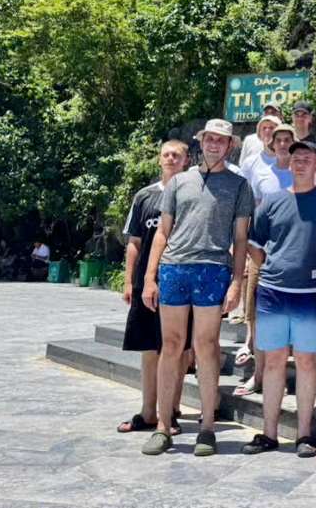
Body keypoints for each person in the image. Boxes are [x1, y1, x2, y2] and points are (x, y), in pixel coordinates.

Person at [140, 118, 254, 457]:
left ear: (230, 145)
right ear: (200, 143)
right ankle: (163, 426)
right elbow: (162, 232)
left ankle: (207, 427)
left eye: (222, 140)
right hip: (174, 268)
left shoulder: (239, 186)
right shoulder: (179, 182)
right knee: (170, 345)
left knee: (205, 346)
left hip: (212, 269)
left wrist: (236, 283)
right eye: (209, 139)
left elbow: (241, 238)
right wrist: (150, 276)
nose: (215, 145)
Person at [242, 139, 316, 456]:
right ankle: (268, 434)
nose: (300, 163)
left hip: (310, 295)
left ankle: (304, 435)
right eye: (295, 157)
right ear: (289, 163)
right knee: (272, 362)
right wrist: (267, 266)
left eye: (307, 158)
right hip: (272, 293)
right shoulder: (271, 202)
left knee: (307, 363)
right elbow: (253, 243)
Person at [117, 140, 192, 436]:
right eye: (166, 155)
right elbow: (134, 243)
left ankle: (170, 410)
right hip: (147, 284)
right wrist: (129, 281)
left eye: (177, 155)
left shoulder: (193, 193)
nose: (171, 159)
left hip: (180, 281)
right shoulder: (144, 196)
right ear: (159, 159)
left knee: (178, 349)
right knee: (149, 349)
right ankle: (148, 411)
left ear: (187, 160)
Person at [237, 123, 297, 397]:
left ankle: (279, 377)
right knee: (259, 318)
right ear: (271, 144)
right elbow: (251, 211)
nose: (283, 144)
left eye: (288, 139)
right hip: (262, 251)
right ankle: (258, 375)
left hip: (293, 253)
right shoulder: (262, 172)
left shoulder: (303, 171)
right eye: (279, 140)